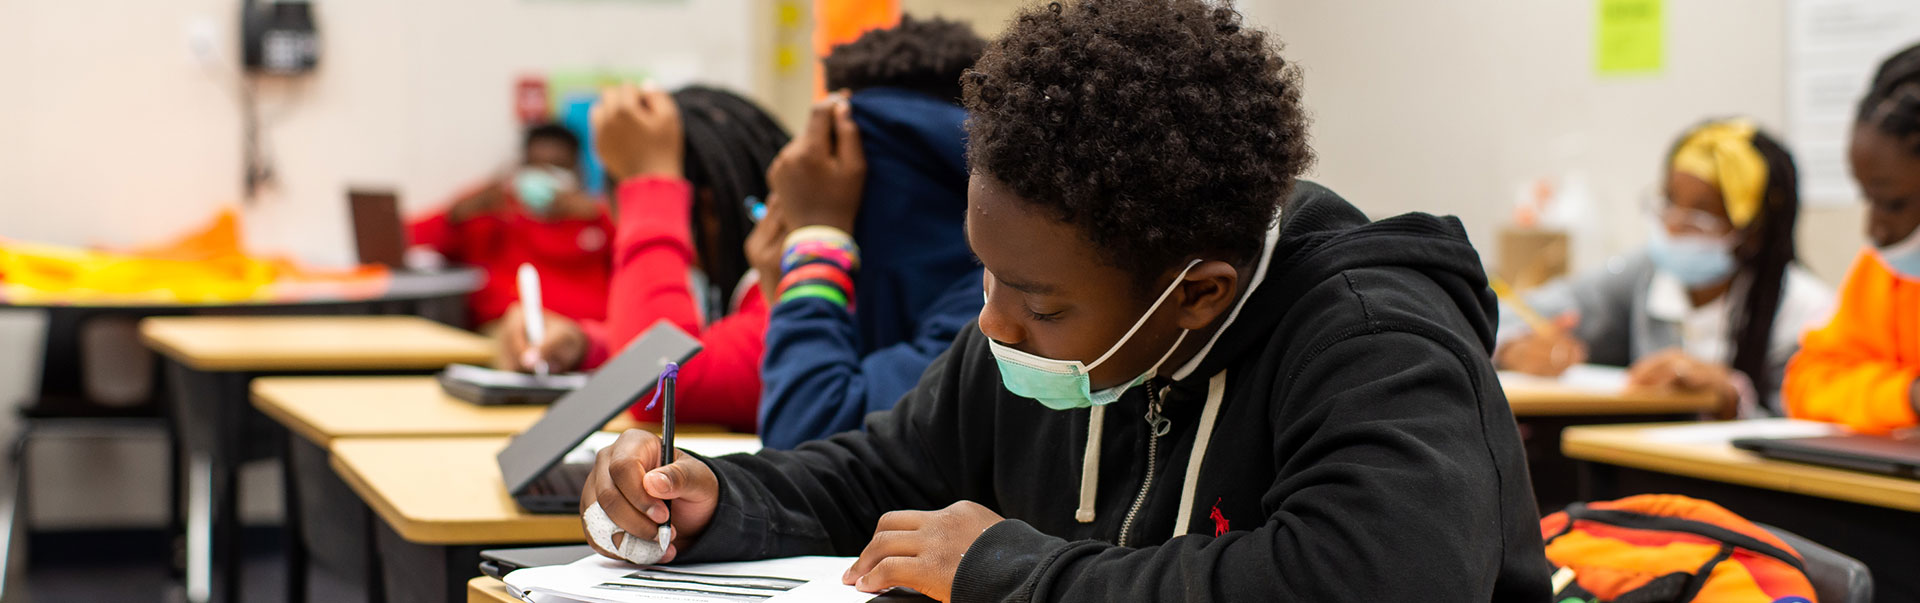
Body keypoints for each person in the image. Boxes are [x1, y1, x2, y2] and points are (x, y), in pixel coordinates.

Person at [578, 1, 1550, 601]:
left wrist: (1010, 572)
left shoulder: (1375, 338)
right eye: (988, 276)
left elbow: (1368, 584)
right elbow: (878, 475)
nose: (992, 322)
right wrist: (714, 498)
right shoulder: (1033, 329)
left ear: (1197, 297)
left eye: (1038, 303)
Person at [506, 18, 987, 441]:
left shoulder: (989, 320)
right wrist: (590, 345)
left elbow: (662, 384)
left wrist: (815, 245)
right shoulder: (898, 293)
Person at [1494, 119, 1831, 418]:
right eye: (1669, 203)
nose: (1673, 227)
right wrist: (1515, 347)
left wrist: (1729, 397)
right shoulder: (1646, 274)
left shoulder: (1804, 312)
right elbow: (1510, 313)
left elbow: (1803, 431)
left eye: (1701, 216)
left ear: (1752, 230)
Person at [502, 87, 791, 433]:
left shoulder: (790, 296)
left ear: (707, 208)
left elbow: (658, 380)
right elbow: (704, 354)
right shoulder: (760, 294)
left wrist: (648, 183)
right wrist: (585, 347)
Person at [1785, 42, 1920, 434]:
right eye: (1868, 200)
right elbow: (1808, 383)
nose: (1874, 230)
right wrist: (1907, 395)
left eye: (1894, 204)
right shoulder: (1883, 272)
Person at [408, 122, 613, 328]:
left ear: (577, 172)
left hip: (592, 332)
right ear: (523, 167)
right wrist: (456, 213)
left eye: (557, 166)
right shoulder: (493, 211)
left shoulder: (596, 217)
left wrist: (600, 215)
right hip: (510, 329)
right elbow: (407, 239)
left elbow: (636, 260)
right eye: (537, 166)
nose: (546, 175)